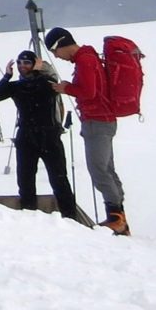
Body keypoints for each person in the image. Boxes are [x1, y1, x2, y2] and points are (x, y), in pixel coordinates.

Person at [45, 26, 129, 235]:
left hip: (97, 122)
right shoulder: (88, 57)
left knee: (98, 169)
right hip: (103, 120)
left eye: (55, 51)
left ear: (61, 44)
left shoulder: (85, 60)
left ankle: (116, 217)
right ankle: (119, 217)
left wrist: (66, 88)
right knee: (107, 169)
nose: (57, 56)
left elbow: (89, 92)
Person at [0, 47, 86, 225]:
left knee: (58, 179)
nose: (21, 66)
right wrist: (6, 76)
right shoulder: (17, 86)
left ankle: (70, 218)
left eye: (26, 62)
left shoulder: (46, 83)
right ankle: (29, 218)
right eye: (19, 62)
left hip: (49, 135)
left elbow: (49, 82)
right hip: (26, 136)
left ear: (35, 65)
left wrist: (40, 69)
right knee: (25, 180)